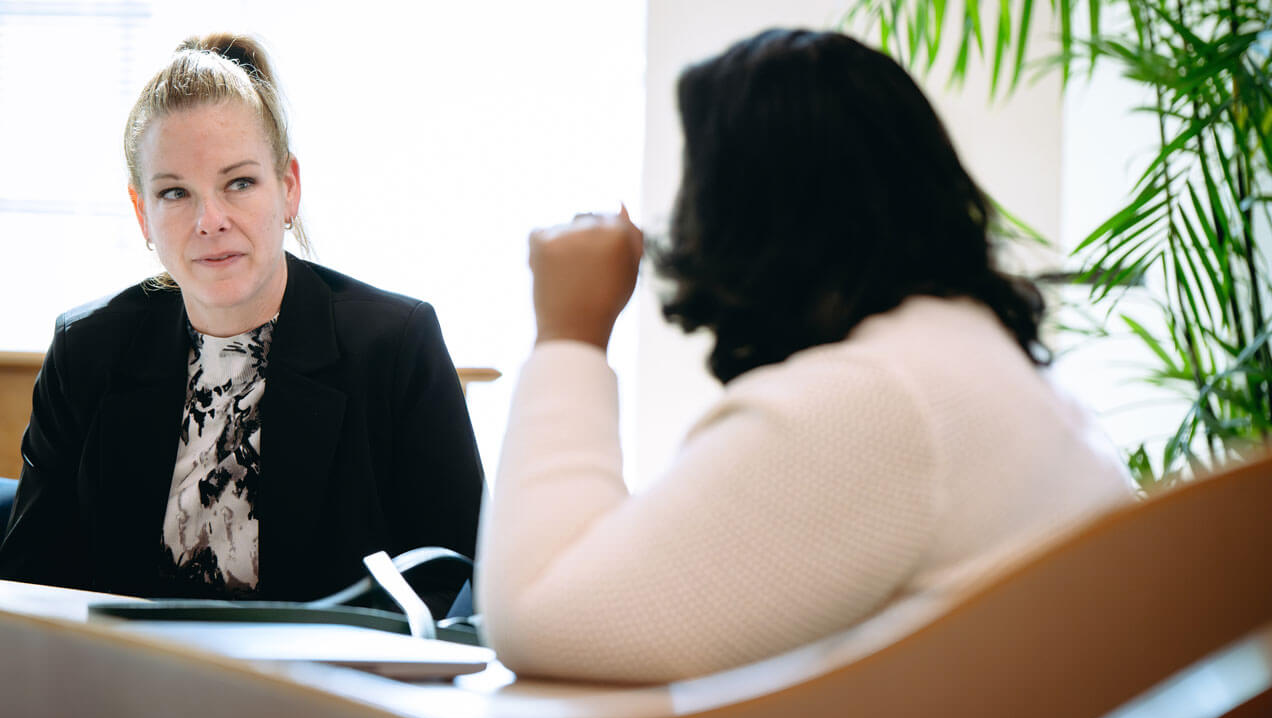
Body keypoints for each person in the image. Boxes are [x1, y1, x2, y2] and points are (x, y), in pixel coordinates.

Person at [476, 28, 1134, 682]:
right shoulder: (969, 363)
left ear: (748, 214)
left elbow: (541, 619)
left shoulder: (882, 400)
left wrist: (569, 332)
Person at [0, 34, 483, 616]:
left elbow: (460, 575)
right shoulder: (87, 349)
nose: (210, 220)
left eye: (240, 183)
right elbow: (31, 581)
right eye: (175, 192)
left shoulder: (397, 345)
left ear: (289, 188)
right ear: (141, 214)